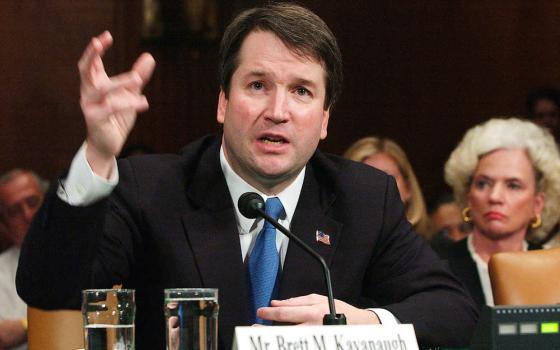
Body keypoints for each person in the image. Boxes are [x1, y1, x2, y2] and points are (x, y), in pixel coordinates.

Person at [16, 3, 477, 349]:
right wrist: (98, 152)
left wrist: (356, 324)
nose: (277, 112)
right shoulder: (150, 189)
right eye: (258, 85)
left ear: (323, 120)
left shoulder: (362, 197)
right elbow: (47, 286)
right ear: (223, 102)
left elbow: (452, 310)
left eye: (301, 91)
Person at [443, 117, 560, 309]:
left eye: (513, 185)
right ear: (468, 195)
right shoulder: (439, 267)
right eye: (483, 184)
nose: (495, 196)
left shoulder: (554, 271)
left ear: (537, 204)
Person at [343, 136, 431, 239]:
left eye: (386, 180)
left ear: (408, 188)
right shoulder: (328, 249)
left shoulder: (430, 251)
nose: (377, 189)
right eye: (365, 180)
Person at [0, 169, 47, 350]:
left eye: (33, 202)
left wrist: (24, 326)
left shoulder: (88, 254)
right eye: (14, 211)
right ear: (4, 226)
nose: (28, 215)